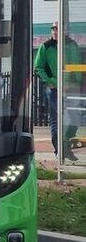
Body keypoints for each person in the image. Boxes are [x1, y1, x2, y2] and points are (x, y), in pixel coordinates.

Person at [34, 22, 80, 159]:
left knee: (74, 119)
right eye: (53, 28)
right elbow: (38, 67)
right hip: (54, 89)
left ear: (64, 30)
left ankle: (65, 146)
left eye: (58, 28)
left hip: (71, 87)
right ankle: (58, 150)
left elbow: (76, 64)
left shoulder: (72, 45)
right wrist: (50, 82)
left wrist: (78, 81)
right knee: (57, 118)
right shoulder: (45, 47)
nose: (55, 31)